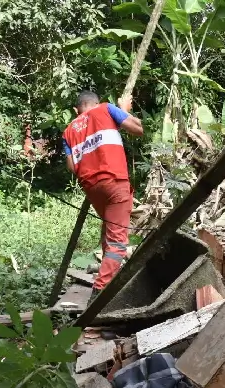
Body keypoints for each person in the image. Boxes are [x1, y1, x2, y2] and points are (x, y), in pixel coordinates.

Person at [62, 91, 144, 301]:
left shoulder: (68, 131)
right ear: (95, 103)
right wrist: (124, 110)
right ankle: (100, 292)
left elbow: (72, 167)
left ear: (76, 110)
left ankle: (108, 276)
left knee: (109, 232)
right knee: (118, 241)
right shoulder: (106, 109)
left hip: (92, 188)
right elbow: (137, 129)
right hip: (114, 182)